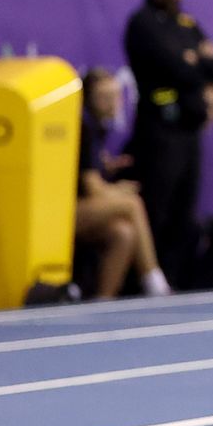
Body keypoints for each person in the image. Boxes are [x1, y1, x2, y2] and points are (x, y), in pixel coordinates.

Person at [123, 0, 213, 281]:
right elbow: (173, 68)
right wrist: (197, 62)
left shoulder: (186, 22)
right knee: (158, 207)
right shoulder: (143, 23)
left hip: (189, 131)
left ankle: (174, 280)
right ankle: (139, 284)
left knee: (185, 211)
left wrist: (195, 59)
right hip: (159, 131)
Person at [74, 67, 171, 300]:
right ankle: (154, 280)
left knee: (123, 232)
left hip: (83, 208)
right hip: (63, 215)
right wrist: (120, 189)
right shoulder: (83, 129)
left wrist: (106, 167)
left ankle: (104, 300)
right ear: (88, 100)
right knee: (131, 204)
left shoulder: (99, 130)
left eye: (115, 96)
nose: (112, 103)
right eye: (103, 97)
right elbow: (93, 189)